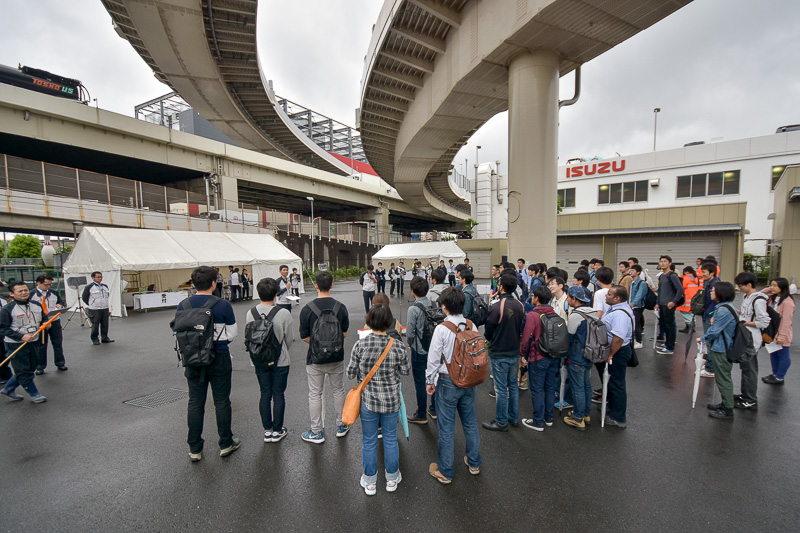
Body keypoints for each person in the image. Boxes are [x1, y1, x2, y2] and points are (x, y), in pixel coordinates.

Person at [177, 266, 240, 461]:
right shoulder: (223, 305)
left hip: (192, 359)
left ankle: (195, 448)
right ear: (214, 283)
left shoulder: (183, 305)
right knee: (221, 401)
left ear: (193, 283)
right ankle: (226, 443)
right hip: (218, 356)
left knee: (195, 402)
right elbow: (232, 334)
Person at [347, 304, 410, 496]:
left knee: (369, 441)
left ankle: (370, 482)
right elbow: (405, 371)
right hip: (391, 400)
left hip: (368, 401)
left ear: (369, 322)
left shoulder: (360, 345)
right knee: (390, 439)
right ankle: (392, 478)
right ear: (389, 322)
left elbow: (350, 373)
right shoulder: (398, 345)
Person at [425, 287, 482, 484]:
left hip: (448, 380)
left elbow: (433, 359)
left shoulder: (442, 328)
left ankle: (446, 470)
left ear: (444, 306)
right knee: (470, 423)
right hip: (469, 379)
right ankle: (474, 462)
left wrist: (430, 381)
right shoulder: (472, 325)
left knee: (446, 428)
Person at [298, 271, 350, 443]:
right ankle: (341, 425)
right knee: (338, 390)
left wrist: (318, 345)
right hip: (337, 356)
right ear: (332, 285)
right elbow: (344, 333)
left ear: (316, 286)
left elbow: (304, 336)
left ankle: (316, 431)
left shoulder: (307, 309)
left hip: (315, 358)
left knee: (315, 393)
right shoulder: (340, 307)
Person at [246, 277, 293, 443]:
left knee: (265, 393)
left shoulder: (250, 313)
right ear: (276, 293)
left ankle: (267, 430)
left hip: (259, 359)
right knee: (278, 394)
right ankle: (278, 430)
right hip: (280, 359)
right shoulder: (283, 313)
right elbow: (289, 338)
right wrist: (282, 349)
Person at [483, 273, 524, 431]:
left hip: (499, 351)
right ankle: (513, 418)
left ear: (501, 287)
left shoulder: (497, 306)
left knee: (500, 388)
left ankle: (501, 421)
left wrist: (489, 339)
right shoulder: (520, 305)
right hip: (514, 350)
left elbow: (489, 328)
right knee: (513, 385)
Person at [0, 281, 49, 403]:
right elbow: (2, 328)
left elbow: (44, 318)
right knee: (23, 370)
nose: (23, 293)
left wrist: (45, 323)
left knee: (31, 367)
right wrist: (21, 336)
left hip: (34, 341)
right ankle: (34, 393)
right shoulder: (7, 309)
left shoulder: (36, 304)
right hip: (16, 344)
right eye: (20, 291)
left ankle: (8, 388)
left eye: (25, 290)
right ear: (12, 294)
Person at [519, 286, 558, 431]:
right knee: (550, 387)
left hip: (538, 356)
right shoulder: (553, 313)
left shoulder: (533, 315)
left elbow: (526, 338)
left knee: (536, 389)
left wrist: (524, 355)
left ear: (536, 298)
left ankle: (538, 421)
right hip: (553, 355)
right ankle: (549, 417)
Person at [699, 282, 738, 419]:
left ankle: (727, 408)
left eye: (713, 290)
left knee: (723, 378)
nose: (711, 292)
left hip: (722, 348)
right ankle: (725, 403)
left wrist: (702, 339)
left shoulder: (723, 310)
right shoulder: (725, 307)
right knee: (722, 377)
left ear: (721, 293)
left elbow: (714, 331)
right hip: (722, 346)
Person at [733, 272, 770, 410]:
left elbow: (764, 322)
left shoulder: (759, 300)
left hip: (752, 338)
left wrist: (745, 322)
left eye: (741, 285)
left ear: (749, 284)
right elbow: (747, 314)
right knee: (745, 367)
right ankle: (745, 395)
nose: (739, 288)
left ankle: (750, 399)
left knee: (750, 370)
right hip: (744, 336)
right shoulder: (747, 297)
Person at [562, 285, 596, 430]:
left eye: (568, 297)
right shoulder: (592, 311)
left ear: (574, 299)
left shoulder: (576, 315)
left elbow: (569, 337)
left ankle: (577, 417)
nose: (567, 300)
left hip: (576, 356)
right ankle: (585, 413)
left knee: (577, 388)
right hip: (590, 354)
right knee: (586, 385)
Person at [601, 285, 635, 428]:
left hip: (618, 352)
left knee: (617, 384)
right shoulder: (616, 309)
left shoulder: (620, 315)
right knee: (613, 382)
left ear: (617, 298)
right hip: (617, 351)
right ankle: (612, 407)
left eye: (609, 294)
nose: (606, 296)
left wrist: (610, 354)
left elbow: (618, 338)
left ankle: (618, 417)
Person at [406, 276, 435, 423]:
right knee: (434, 378)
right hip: (434, 349)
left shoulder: (413, 309)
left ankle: (421, 413)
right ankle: (434, 409)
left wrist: (410, 345)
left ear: (413, 291)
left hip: (419, 349)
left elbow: (410, 333)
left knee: (420, 382)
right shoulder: (433, 304)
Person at [30, 275, 67, 374]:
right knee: (41, 345)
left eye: (50, 284)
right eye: (46, 285)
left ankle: (60, 363)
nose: (48, 287)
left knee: (57, 343)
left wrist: (60, 305)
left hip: (54, 320)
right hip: (40, 322)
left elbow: (60, 301)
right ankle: (40, 366)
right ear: (38, 283)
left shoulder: (53, 292)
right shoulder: (32, 294)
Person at [763, 277, 795, 385]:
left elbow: (786, 321)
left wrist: (781, 336)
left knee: (783, 355)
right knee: (774, 354)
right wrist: (769, 289)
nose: (772, 287)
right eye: (771, 285)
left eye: (775, 285)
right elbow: (758, 295)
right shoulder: (772, 298)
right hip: (772, 331)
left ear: (782, 286)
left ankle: (780, 377)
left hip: (781, 333)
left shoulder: (788, 302)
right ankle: (775, 374)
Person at [655, 255, 684, 356]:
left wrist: (674, 302)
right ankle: (667, 343)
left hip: (669, 305)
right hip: (662, 304)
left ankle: (670, 348)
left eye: (665, 261)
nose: (662, 263)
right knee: (664, 325)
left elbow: (680, 289)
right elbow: (660, 291)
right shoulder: (662, 276)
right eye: (661, 261)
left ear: (670, 263)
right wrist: (657, 303)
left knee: (670, 326)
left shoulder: (672, 275)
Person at [699, 262, 720, 377]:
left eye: (704, 272)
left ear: (712, 273)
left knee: (710, 342)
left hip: (710, 316)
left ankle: (710, 369)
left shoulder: (716, 285)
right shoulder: (708, 283)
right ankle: (709, 364)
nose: (702, 274)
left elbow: (717, 302)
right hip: (706, 314)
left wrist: (713, 316)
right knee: (708, 342)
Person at [82, 271, 114, 345]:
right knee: (95, 324)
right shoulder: (89, 287)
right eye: (98, 277)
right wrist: (91, 304)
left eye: (101, 277)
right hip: (95, 309)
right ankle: (95, 338)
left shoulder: (104, 286)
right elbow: (85, 297)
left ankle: (105, 337)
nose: (100, 278)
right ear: (93, 278)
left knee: (105, 324)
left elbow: (107, 295)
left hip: (104, 308)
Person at [678, 266, 702, 332]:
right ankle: (691, 325)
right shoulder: (695, 278)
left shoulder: (686, 278)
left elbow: (681, 286)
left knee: (685, 312)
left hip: (686, 298)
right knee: (691, 313)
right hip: (694, 298)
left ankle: (689, 326)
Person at [629, 264, 647, 349]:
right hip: (632, 306)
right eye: (631, 270)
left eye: (633, 271)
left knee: (636, 324)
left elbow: (639, 295)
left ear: (638, 272)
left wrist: (632, 304)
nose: (631, 272)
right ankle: (635, 340)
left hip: (638, 306)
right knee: (635, 323)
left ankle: (639, 341)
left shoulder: (642, 283)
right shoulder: (632, 282)